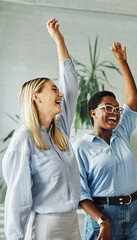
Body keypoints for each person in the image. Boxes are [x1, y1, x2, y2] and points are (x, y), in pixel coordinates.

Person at [2, 19, 81, 239]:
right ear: (36, 97)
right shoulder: (24, 140)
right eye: (53, 89)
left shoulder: (59, 130)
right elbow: (17, 198)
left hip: (72, 221)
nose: (61, 94)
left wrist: (59, 41)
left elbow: (71, 84)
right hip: (46, 226)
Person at [73, 41, 137, 240]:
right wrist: (102, 221)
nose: (114, 113)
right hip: (104, 214)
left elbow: (133, 99)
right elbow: (81, 194)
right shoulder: (81, 147)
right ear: (93, 113)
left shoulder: (121, 133)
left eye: (117, 109)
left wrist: (123, 62)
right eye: (107, 108)